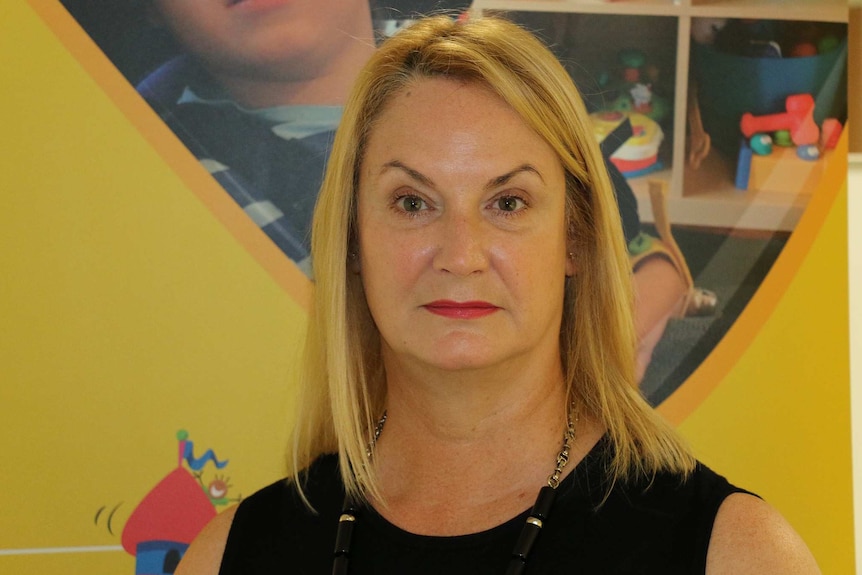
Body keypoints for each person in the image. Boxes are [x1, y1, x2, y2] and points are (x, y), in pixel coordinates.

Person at [175, 14, 818, 575]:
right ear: (351, 242)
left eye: (508, 202)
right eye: (412, 202)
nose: (460, 255)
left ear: (576, 238)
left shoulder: (735, 553)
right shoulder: (228, 555)